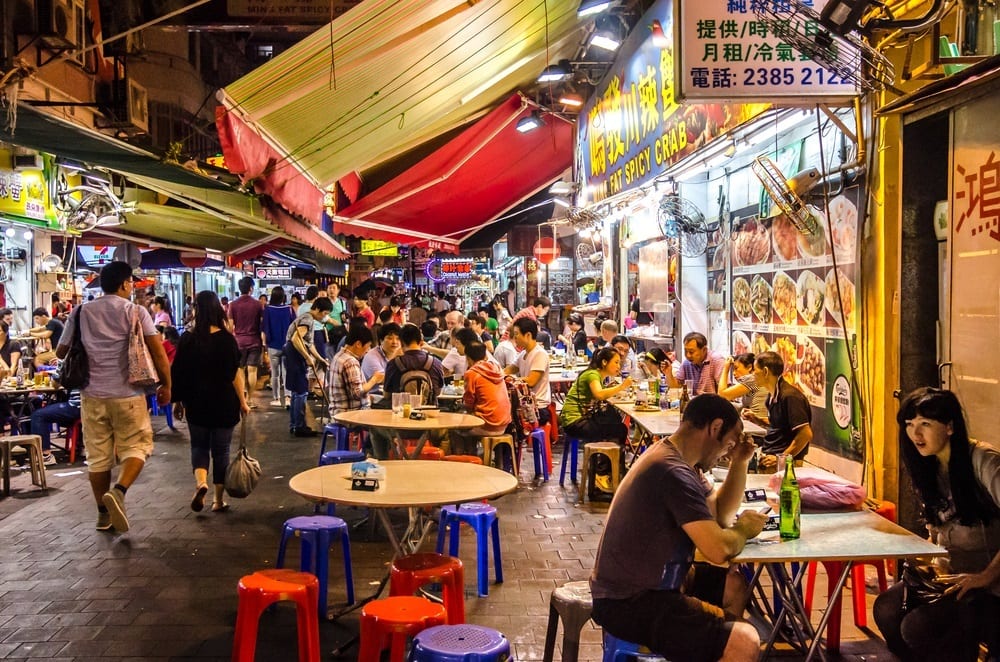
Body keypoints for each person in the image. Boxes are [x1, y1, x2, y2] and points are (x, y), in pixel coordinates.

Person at [590, 394, 767, 662]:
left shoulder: (681, 462)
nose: (727, 451)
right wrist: (743, 529)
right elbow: (717, 549)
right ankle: (727, 648)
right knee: (745, 640)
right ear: (715, 428)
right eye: (730, 442)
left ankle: (712, 648)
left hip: (652, 585)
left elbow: (718, 516)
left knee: (733, 586)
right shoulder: (671, 470)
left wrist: (739, 462)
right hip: (630, 601)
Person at [874, 387, 1000, 662]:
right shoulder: (928, 466)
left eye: (925, 424)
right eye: (910, 425)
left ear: (950, 426)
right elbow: (940, 532)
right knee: (886, 609)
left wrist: (987, 576)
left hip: (990, 585)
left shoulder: (983, 462)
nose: (915, 434)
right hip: (953, 579)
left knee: (918, 627)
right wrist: (927, 558)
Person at [56, 261, 172, 533]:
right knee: (138, 447)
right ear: (123, 284)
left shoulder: (81, 311)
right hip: (128, 394)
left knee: (98, 457)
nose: (132, 287)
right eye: (131, 282)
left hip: (91, 395)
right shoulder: (136, 312)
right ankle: (118, 492)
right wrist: (166, 385)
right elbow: (158, 353)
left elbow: (61, 352)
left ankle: (102, 514)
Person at [171, 291, 250, 514]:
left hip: (196, 402)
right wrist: (243, 402)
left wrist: (178, 401)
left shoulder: (187, 338)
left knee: (199, 446)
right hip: (224, 402)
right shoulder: (226, 339)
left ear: (197, 309)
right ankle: (217, 500)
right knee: (221, 450)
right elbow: (235, 374)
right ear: (218, 309)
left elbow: (178, 372)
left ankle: (201, 482)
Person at [369, 323, 444, 459]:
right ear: (421, 342)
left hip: (398, 426)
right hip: (429, 426)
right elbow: (438, 393)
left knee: (374, 428)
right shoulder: (435, 363)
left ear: (401, 343)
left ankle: (382, 462)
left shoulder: (394, 364)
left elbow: (386, 395)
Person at [740, 351, 812, 472]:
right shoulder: (772, 395)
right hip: (769, 458)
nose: (753, 374)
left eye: (755, 370)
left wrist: (782, 459)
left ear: (766, 372)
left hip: (784, 465)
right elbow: (780, 425)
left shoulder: (790, 397)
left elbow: (806, 434)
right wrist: (756, 418)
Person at [558, 346, 632, 444]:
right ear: (604, 362)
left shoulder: (595, 374)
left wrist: (611, 388)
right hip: (575, 422)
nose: (619, 366)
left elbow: (600, 392)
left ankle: (604, 455)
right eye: (616, 362)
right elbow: (599, 395)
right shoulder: (592, 374)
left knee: (613, 416)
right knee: (620, 429)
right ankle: (609, 457)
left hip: (577, 419)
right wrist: (622, 386)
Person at [450, 342, 512, 456]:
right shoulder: (497, 369)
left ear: (468, 358)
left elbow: (469, 403)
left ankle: (466, 461)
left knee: (456, 429)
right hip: (504, 423)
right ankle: (489, 460)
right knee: (469, 420)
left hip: (488, 425)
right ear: (485, 356)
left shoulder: (472, 373)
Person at [285, 296, 333, 437]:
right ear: (317, 309)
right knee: (301, 391)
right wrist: (307, 357)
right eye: (324, 314)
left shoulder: (308, 319)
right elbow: (296, 338)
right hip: (294, 354)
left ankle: (295, 425)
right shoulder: (307, 319)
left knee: (296, 391)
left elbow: (309, 344)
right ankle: (299, 426)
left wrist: (319, 359)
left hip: (293, 353)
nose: (324, 317)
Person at [328, 325, 383, 416]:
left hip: (338, 412)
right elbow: (357, 394)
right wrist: (375, 379)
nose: (368, 350)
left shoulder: (339, 356)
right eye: (368, 346)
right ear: (358, 344)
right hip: (350, 415)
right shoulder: (350, 362)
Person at [506, 317, 552, 427]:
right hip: (526, 405)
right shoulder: (523, 354)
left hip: (538, 409)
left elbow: (531, 381)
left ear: (528, 335)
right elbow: (509, 370)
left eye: (517, 334)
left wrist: (512, 380)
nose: (514, 337)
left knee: (508, 422)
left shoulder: (540, 354)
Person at [228, 276, 264, 406]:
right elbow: (262, 324)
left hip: (239, 342)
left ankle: (241, 398)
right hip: (255, 340)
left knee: (240, 370)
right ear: (251, 288)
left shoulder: (233, 305)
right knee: (252, 371)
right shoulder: (258, 304)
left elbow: (230, 327)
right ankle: (249, 399)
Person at [30, 387, 81, 465]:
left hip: (77, 407)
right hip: (92, 404)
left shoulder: (77, 374)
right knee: (37, 403)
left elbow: (57, 382)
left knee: (38, 415)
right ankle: (81, 445)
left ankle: (45, 456)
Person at [262, 287, 295, 408]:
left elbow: (265, 328)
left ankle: (276, 398)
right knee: (286, 372)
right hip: (287, 345)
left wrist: (265, 346)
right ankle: (287, 397)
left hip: (272, 345)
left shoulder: (268, 309)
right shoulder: (289, 309)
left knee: (275, 374)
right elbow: (294, 327)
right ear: (283, 297)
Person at [717, 353, 769, 421]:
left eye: (736, 368)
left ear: (749, 367)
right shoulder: (754, 380)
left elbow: (722, 395)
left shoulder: (752, 379)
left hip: (758, 426)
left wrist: (726, 368)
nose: (734, 373)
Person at [361, 322, 402, 397]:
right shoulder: (371, 356)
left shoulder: (402, 354)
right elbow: (385, 380)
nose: (395, 342)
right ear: (381, 341)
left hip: (393, 395)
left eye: (398, 338)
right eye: (390, 338)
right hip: (375, 397)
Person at [324, 282, 349, 356]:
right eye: (329, 288)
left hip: (340, 332)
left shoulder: (343, 302)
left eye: (334, 288)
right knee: (329, 354)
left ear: (338, 290)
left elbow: (347, 318)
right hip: (328, 332)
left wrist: (345, 320)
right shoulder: (324, 302)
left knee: (340, 353)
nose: (331, 290)